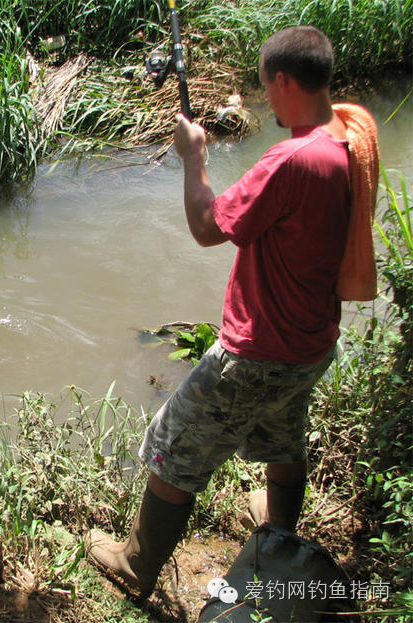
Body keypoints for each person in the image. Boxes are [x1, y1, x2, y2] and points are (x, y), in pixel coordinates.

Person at [85, 25, 363, 600]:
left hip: (259, 350)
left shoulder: (289, 160)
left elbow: (208, 227)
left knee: (174, 439)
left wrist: (194, 158)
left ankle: (136, 564)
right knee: (284, 436)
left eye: (266, 87)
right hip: (311, 344)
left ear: (284, 81)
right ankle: (279, 529)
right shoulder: (346, 142)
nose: (266, 99)